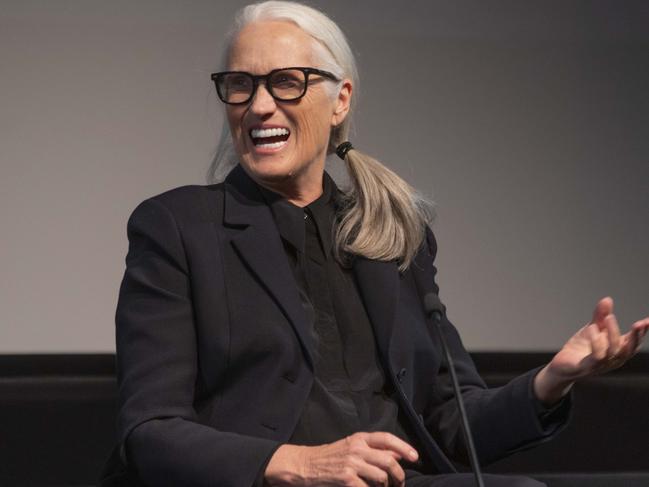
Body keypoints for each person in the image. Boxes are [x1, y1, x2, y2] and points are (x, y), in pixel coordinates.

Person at [99, 2, 649, 486]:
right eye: (241, 84)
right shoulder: (178, 227)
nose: (259, 105)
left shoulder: (389, 235)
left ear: (340, 100)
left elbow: (451, 424)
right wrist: (297, 464)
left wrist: (552, 380)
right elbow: (150, 432)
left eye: (285, 81)